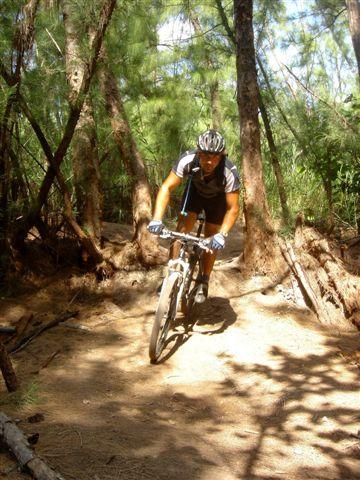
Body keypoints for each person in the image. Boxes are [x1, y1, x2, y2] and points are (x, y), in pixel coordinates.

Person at [148, 130, 240, 302]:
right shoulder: (187, 159)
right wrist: (156, 218)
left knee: (212, 236)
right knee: (181, 230)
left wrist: (223, 234)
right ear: (198, 153)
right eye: (205, 156)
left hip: (217, 201)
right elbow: (166, 187)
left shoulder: (229, 171)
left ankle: (203, 280)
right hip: (194, 194)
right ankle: (171, 273)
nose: (209, 161)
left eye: (215, 156)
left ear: (221, 156)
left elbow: (233, 208)